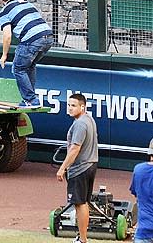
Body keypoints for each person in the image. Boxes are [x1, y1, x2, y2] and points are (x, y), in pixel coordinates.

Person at [0, 0, 54, 108]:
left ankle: (31, 100)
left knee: (18, 69)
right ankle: (31, 99)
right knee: (29, 66)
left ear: (1, 0)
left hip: (32, 40)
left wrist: (4, 55)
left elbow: (7, 36)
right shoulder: (27, 3)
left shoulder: (4, 12)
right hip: (48, 37)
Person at [55, 93, 99, 243]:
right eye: (69, 105)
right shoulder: (89, 120)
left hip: (80, 168)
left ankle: (83, 239)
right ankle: (82, 237)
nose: (70, 108)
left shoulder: (80, 124)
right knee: (83, 202)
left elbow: (75, 149)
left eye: (73, 105)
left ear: (83, 107)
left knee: (79, 203)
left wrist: (62, 168)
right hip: (91, 164)